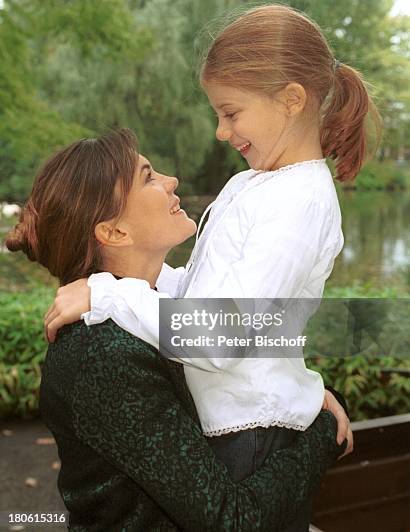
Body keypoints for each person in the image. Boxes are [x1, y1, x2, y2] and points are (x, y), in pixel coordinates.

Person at [44, 5, 374, 528]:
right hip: (234, 425)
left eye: (231, 112)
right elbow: (204, 292)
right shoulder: (255, 183)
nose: (221, 132)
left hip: (251, 437)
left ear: (291, 100)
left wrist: (110, 295)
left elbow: (219, 334)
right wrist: (112, 286)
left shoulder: (301, 202)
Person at [6, 129, 345, 531]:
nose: (172, 181)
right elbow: (232, 520)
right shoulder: (103, 355)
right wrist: (325, 435)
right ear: (114, 232)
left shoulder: (148, 310)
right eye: (149, 177)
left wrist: (301, 394)